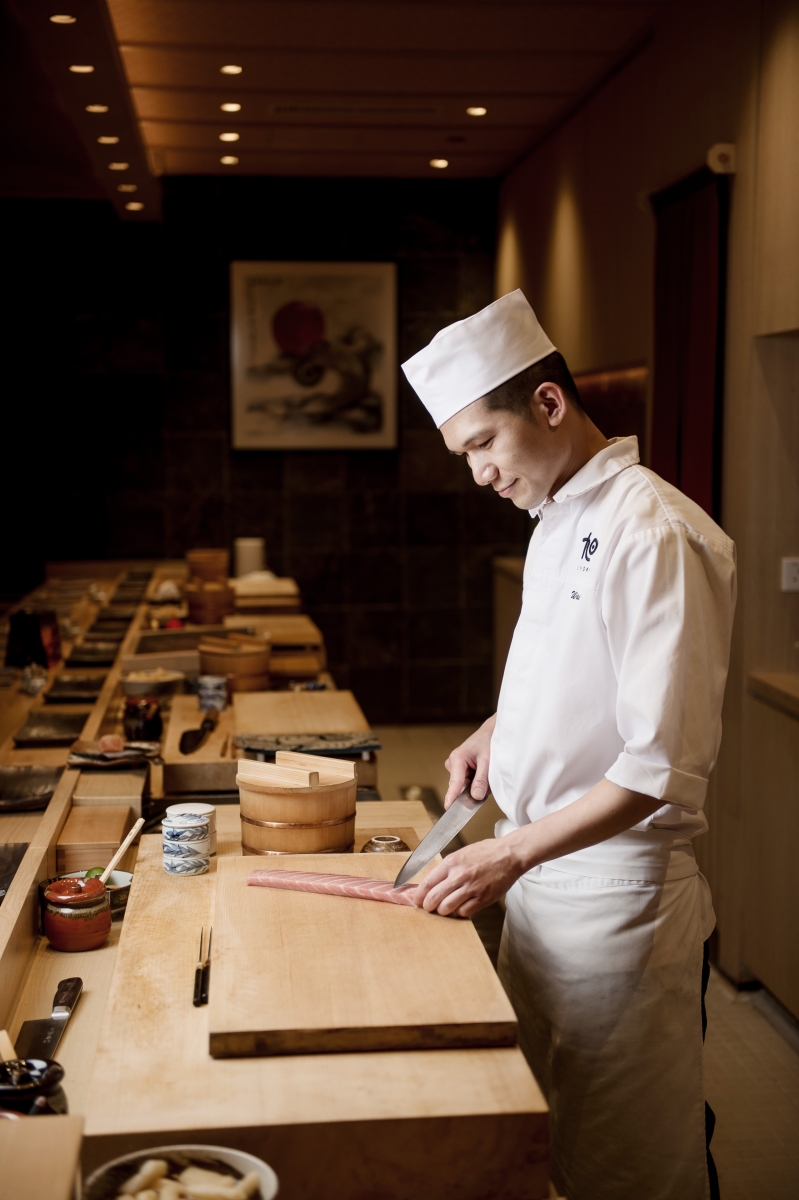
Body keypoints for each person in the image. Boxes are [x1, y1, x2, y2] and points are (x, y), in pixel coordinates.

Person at [401, 290, 735, 1200]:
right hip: (542, 884)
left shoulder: (655, 532)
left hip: (615, 904)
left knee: (630, 1170)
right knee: (547, 1141)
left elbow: (655, 765)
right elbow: (572, 671)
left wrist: (505, 850)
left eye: (481, 445)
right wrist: (496, 730)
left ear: (548, 404)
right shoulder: (554, 513)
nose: (478, 475)